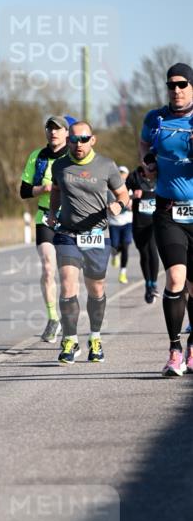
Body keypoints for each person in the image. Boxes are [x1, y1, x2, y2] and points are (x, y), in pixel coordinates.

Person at [47, 121, 130, 365]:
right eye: (74, 139)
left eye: (84, 139)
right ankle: (70, 340)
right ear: (68, 141)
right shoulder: (60, 165)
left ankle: (95, 338)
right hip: (67, 233)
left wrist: (119, 204)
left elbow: (123, 194)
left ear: (92, 140)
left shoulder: (106, 165)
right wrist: (53, 212)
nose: (78, 144)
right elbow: (55, 191)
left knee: (97, 289)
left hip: (97, 234)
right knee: (67, 286)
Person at [140, 62, 193, 376]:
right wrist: (147, 161)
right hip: (168, 210)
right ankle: (174, 349)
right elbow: (145, 143)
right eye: (171, 85)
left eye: (182, 84)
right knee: (175, 278)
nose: (176, 90)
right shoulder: (155, 117)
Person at [19, 115, 76, 343]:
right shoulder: (38, 156)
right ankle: (53, 318)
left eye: (58, 129)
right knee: (47, 266)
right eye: (49, 129)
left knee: (68, 274)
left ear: (67, 133)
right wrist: (43, 188)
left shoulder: (74, 155)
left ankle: (69, 319)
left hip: (70, 218)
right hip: (45, 217)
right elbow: (24, 191)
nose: (53, 133)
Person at [126, 156, 160, 303]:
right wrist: (133, 196)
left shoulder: (161, 174)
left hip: (156, 222)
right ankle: (148, 284)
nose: (149, 166)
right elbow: (121, 196)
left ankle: (154, 284)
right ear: (142, 163)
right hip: (139, 223)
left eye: (152, 163)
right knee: (144, 254)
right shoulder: (133, 177)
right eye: (147, 163)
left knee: (153, 251)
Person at [107, 165, 133, 283]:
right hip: (114, 222)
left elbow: (134, 203)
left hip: (127, 221)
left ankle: (123, 272)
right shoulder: (109, 189)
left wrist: (131, 205)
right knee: (115, 245)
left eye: (124, 173)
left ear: (127, 175)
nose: (121, 175)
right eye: (120, 173)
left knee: (126, 246)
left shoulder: (130, 188)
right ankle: (114, 254)